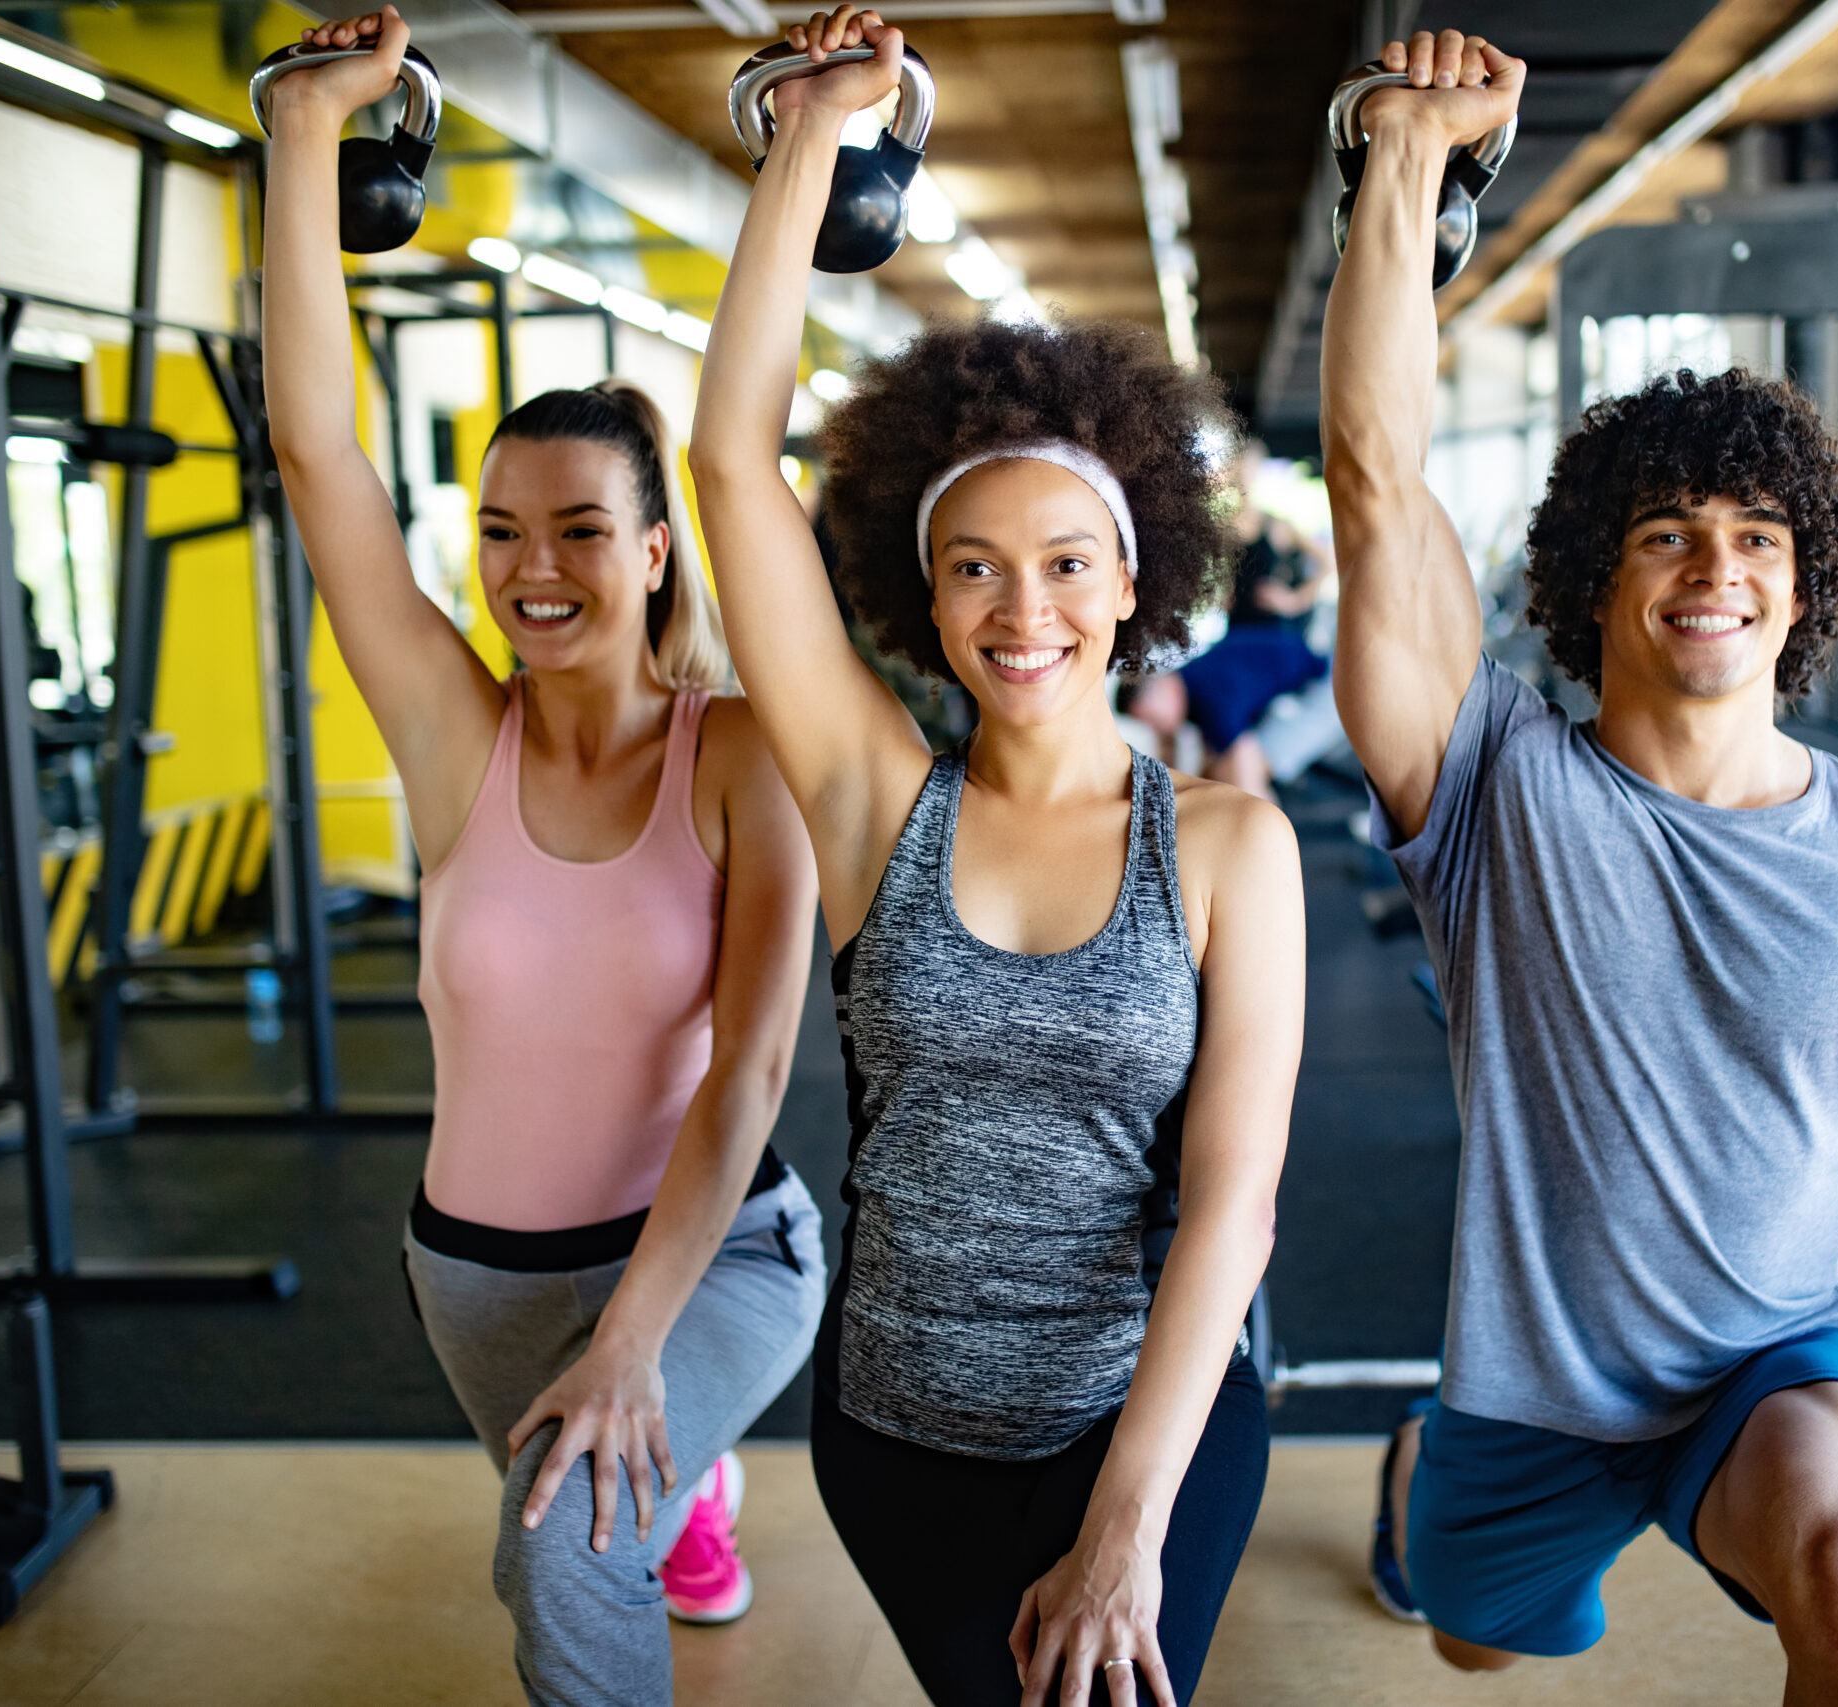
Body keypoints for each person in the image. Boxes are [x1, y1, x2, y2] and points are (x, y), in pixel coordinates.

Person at [1323, 29, 1838, 1705]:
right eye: (1668, 531)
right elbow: (1377, 481)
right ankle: (1421, 1478)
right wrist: (1404, 158)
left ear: (1801, 584)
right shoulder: (1495, 787)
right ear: (1596, 579)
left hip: (1777, 1361)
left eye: (1757, 537)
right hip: (1528, 1394)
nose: (1715, 567)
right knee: (1472, 1639)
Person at [688, 12, 1304, 1704]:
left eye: (1060, 563)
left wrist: (1124, 1531)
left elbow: (1232, 1210)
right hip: (898, 1429)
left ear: (1132, 580)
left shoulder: (1234, 848)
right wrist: (812, 137)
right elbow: (731, 460)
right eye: (972, 568)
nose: (1019, 610)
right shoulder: (879, 800)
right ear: (924, 591)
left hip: (1144, 1425)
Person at [260, 13, 826, 1703]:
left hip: (712, 1252)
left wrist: (640, 1341)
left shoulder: (738, 752)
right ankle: (686, 1478)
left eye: (582, 528)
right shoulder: (457, 736)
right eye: (502, 531)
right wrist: (304, 133)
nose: (534, 568)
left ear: (658, 549)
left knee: (563, 1537)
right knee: (582, 1492)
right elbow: (317, 457)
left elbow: (755, 1069)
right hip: (474, 1275)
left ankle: (668, 1446)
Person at [1173, 445, 1335, 801]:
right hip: (1236, 637)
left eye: (1249, 471)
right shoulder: (1223, 531)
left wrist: (1293, 600)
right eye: (1237, 471)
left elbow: (1327, 564)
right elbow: (1213, 586)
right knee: (1220, 738)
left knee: (1245, 745)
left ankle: (1257, 808)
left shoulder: (1275, 524)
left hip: (1272, 638)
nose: (1242, 478)